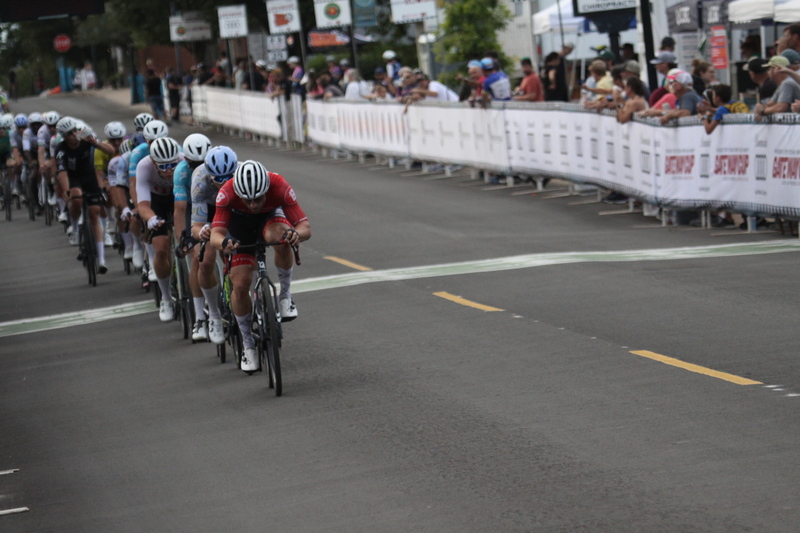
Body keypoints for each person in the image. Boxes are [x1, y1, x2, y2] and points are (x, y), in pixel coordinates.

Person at [210, 161, 311, 372]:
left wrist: (295, 235)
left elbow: (305, 228)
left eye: (258, 198)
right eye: (248, 199)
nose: (254, 204)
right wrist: (225, 243)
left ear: (267, 189)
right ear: (238, 192)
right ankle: (248, 345)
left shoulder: (279, 185)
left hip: (270, 219)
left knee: (283, 238)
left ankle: (285, 296)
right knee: (240, 284)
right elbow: (215, 235)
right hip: (239, 227)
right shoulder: (227, 193)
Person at [188, 145, 237, 345]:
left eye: (229, 177)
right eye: (219, 179)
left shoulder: (243, 175)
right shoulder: (199, 180)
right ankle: (214, 316)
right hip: (209, 212)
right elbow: (196, 226)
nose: (224, 183)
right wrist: (202, 232)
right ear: (210, 177)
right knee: (205, 261)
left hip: (234, 208)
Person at [55, 117, 115, 272]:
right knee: (76, 198)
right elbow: (62, 172)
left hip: (89, 176)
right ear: (64, 136)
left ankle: (101, 259)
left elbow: (110, 151)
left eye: (74, 131)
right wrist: (66, 190)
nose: (73, 135)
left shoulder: (86, 140)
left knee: (94, 213)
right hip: (73, 178)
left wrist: (95, 142)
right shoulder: (61, 149)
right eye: (69, 133)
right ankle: (74, 229)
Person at [136, 137, 185, 321]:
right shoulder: (144, 166)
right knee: (161, 248)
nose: (169, 171)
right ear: (154, 162)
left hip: (178, 198)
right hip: (156, 202)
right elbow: (142, 205)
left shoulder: (184, 160)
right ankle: (166, 297)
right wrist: (151, 218)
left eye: (172, 165)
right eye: (163, 167)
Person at [173, 133, 215, 341]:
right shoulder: (181, 172)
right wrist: (184, 239)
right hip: (195, 208)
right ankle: (199, 317)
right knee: (198, 258)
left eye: (203, 163)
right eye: (193, 164)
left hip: (217, 204)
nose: (198, 168)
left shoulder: (220, 162)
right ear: (186, 161)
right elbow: (180, 209)